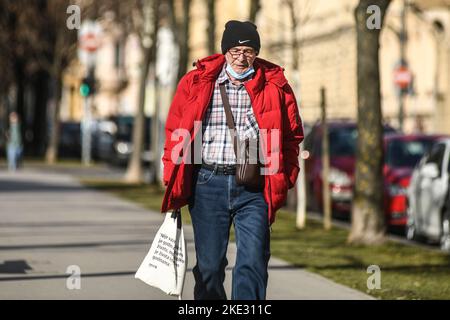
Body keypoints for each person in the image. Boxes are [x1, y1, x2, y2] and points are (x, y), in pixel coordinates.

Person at [161, 20, 304, 300]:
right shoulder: (198, 82)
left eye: (249, 50)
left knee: (252, 263)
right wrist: (172, 174)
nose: (242, 57)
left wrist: (285, 177)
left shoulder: (275, 86)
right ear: (225, 51)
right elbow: (177, 130)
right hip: (208, 182)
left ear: (256, 53)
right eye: (235, 50)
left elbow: (292, 136)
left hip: (255, 187)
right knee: (210, 268)